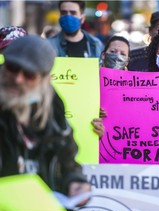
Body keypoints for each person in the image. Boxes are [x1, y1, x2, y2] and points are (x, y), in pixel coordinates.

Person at [0, 35, 91, 197]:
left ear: (45, 79)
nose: (18, 79)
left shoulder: (53, 105)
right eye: (12, 68)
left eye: (29, 74)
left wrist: (74, 180)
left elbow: (66, 155)